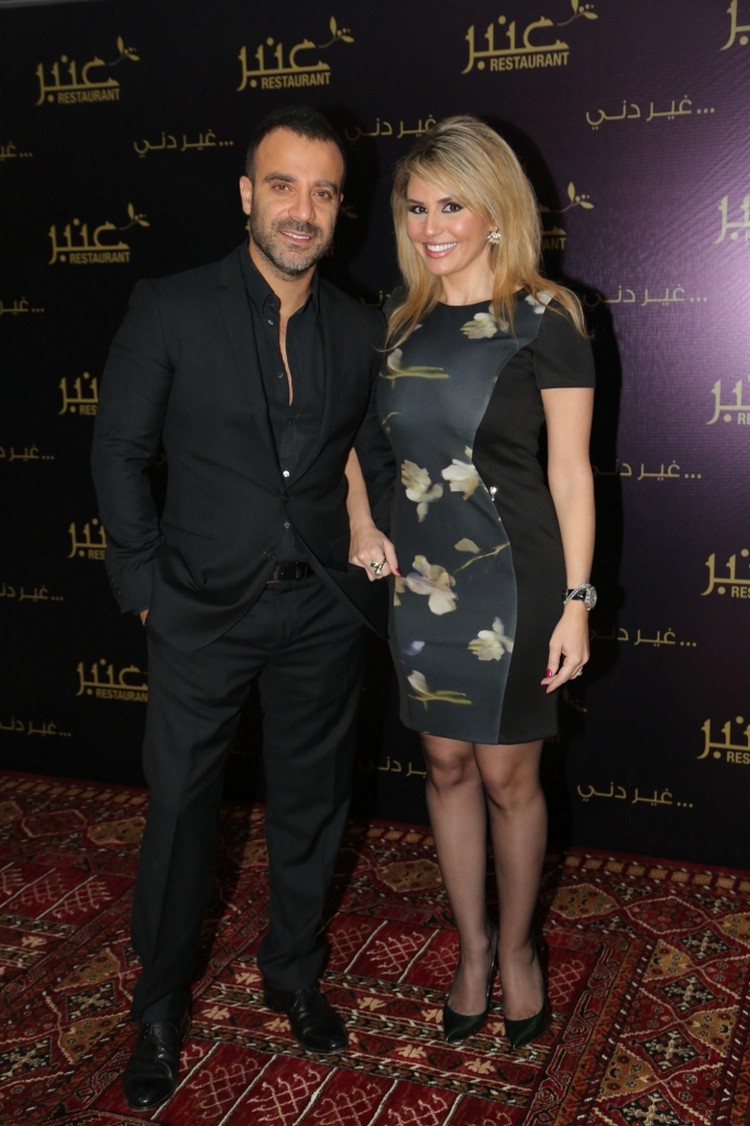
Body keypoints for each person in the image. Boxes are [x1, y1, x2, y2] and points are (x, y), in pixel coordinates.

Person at [91, 105, 393, 1111]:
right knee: (182, 813)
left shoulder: (360, 325)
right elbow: (119, 453)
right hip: (199, 611)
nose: (302, 209)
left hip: (323, 610)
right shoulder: (170, 306)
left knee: (313, 803)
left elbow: (368, 452)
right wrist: (144, 590)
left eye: (323, 191)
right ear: (245, 195)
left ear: (340, 209)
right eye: (282, 185)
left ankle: (293, 974)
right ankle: (159, 1006)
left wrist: (374, 534)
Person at [348, 116, 595, 1049]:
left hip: (516, 582)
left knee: (505, 777)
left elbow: (570, 473)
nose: (430, 226)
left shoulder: (546, 318)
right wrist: (363, 520)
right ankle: (473, 948)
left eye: (451, 205)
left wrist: (577, 601)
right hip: (422, 582)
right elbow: (351, 441)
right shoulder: (394, 321)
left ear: (496, 211)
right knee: (443, 765)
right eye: (415, 208)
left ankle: (520, 950)